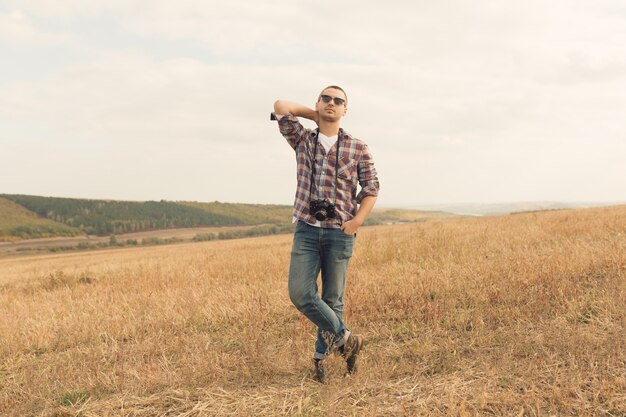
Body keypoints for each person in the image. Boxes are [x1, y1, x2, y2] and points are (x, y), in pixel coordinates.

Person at [271, 86, 380, 383]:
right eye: (326, 99)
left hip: (340, 232)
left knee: (333, 299)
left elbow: (371, 188)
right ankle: (346, 339)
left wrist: (356, 221)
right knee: (300, 293)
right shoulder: (303, 139)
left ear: (347, 109)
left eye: (339, 101)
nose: (332, 103)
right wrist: (317, 116)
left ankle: (321, 360)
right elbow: (281, 106)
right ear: (318, 103)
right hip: (307, 229)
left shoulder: (358, 147)